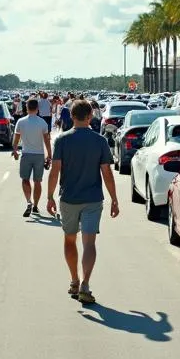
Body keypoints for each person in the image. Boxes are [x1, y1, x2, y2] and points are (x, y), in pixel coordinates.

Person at [47, 99, 119, 305]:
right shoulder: (100, 141)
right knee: (89, 243)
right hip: (93, 199)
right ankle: (86, 284)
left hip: (69, 198)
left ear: (71, 116)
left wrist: (50, 196)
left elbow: (55, 170)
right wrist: (114, 199)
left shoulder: (62, 140)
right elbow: (107, 172)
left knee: (70, 240)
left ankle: (74, 281)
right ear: (90, 117)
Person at [12, 97, 52, 216]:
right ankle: (35, 205)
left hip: (26, 154)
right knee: (37, 181)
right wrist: (49, 155)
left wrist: (14, 150)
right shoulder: (42, 122)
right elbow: (47, 140)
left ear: (27, 108)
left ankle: (28, 201)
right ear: (38, 109)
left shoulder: (21, 121)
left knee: (25, 180)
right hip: (39, 155)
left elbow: (16, 138)